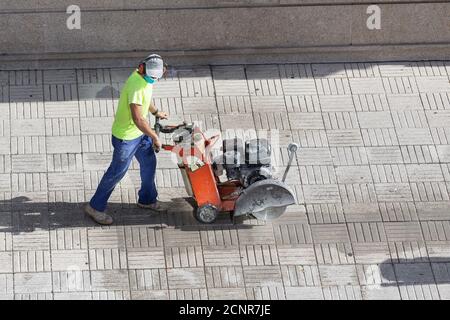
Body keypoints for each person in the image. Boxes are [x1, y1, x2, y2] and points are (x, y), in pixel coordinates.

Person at [84, 54, 169, 225]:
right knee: (116, 173)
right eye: (151, 76)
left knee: (149, 164)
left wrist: (155, 112)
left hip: (139, 134)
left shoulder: (145, 79)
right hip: (126, 138)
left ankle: (147, 199)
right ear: (141, 67)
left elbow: (147, 98)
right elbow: (138, 119)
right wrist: (154, 136)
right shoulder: (136, 86)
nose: (153, 80)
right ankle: (95, 207)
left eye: (155, 77)